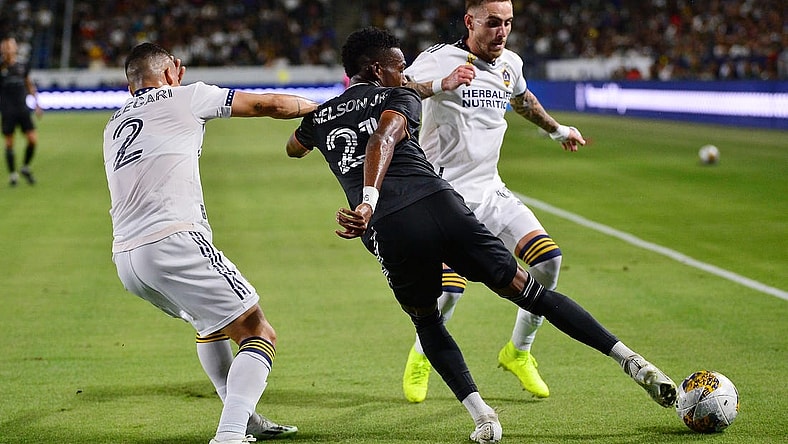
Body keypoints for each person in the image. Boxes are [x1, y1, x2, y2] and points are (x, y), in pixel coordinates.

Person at [285, 26, 676, 444]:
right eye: (400, 68)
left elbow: (294, 147)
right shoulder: (398, 97)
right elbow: (384, 135)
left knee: (427, 321)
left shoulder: (321, 115)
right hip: (440, 204)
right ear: (379, 70)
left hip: (388, 228)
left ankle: (484, 417)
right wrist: (367, 196)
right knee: (529, 292)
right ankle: (630, 360)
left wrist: (326, 124)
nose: (406, 75)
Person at [102, 42, 317, 444]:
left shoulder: (114, 121)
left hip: (128, 257)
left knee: (210, 324)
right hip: (173, 241)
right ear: (171, 71)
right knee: (257, 330)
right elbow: (269, 104)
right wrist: (325, 106)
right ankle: (231, 433)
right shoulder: (187, 94)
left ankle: (244, 418)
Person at [397, 0, 587, 403]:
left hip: (491, 189)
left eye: (508, 23)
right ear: (470, 22)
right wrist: (439, 85)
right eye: (493, 23)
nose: (502, 31)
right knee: (447, 293)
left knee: (548, 261)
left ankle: (518, 351)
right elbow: (394, 88)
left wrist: (556, 130)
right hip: (444, 195)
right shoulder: (437, 59)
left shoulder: (510, 64)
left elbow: (521, 99)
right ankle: (421, 354)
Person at [0, 37, 42, 186]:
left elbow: (29, 84)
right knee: (9, 143)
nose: (8, 48)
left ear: (15, 47)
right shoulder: (1, 66)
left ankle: (24, 167)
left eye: (11, 46)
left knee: (32, 140)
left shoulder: (22, 65)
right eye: (6, 46)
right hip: (7, 111)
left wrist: (37, 104)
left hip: (22, 109)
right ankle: (13, 175)